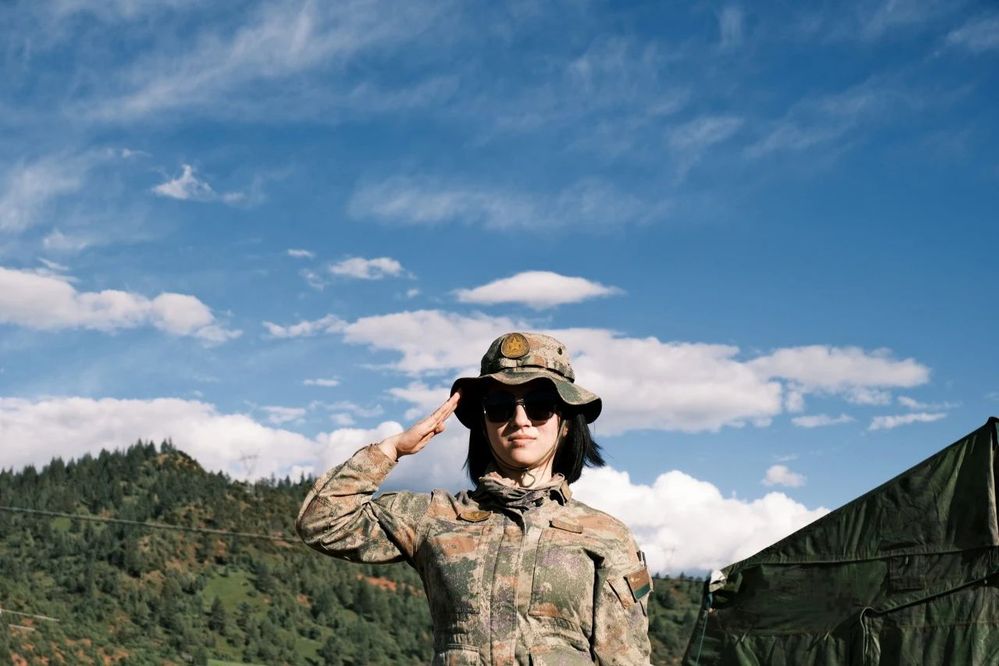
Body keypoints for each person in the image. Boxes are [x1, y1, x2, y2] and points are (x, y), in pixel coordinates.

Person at [296, 332, 652, 665]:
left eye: (540, 405)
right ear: (483, 424)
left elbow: (625, 657)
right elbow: (321, 522)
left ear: (567, 423)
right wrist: (392, 449)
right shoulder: (435, 517)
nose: (520, 420)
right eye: (499, 406)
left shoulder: (606, 535)